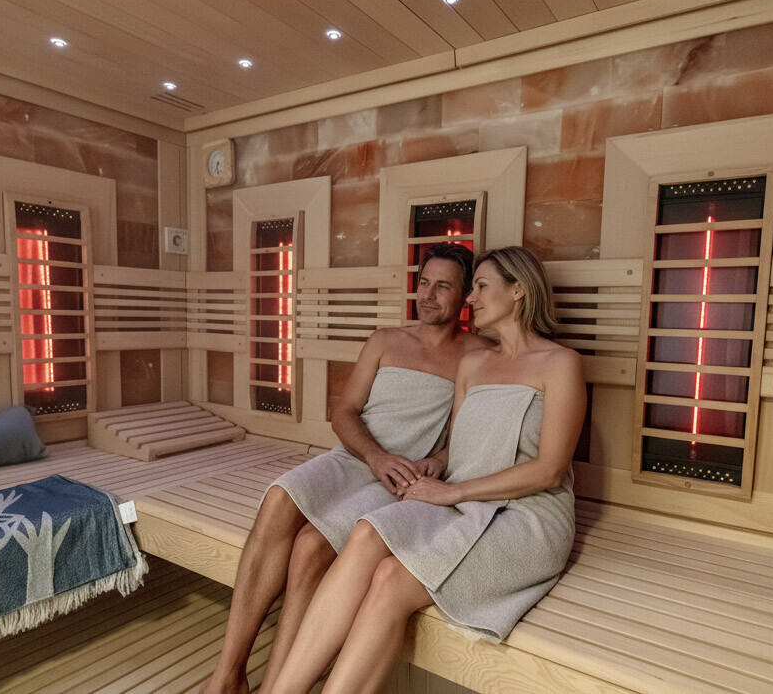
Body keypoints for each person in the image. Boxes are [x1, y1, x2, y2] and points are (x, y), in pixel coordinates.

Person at [263, 246, 586, 694]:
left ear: (518, 290)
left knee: (391, 579)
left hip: (526, 515)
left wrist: (452, 492)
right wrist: (436, 466)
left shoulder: (561, 364)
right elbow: (458, 446)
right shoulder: (474, 364)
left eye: (480, 286)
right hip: (464, 501)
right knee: (367, 531)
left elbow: (550, 471)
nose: (470, 298)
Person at [201, 243, 491, 694]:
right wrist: (375, 456)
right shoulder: (386, 341)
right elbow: (344, 413)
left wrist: (436, 462)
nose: (428, 295)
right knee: (278, 497)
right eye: (424, 283)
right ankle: (227, 677)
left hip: (402, 478)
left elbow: (467, 440)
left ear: (465, 296)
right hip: (357, 457)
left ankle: (277, 685)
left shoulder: (477, 356)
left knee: (311, 547)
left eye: (443, 286)